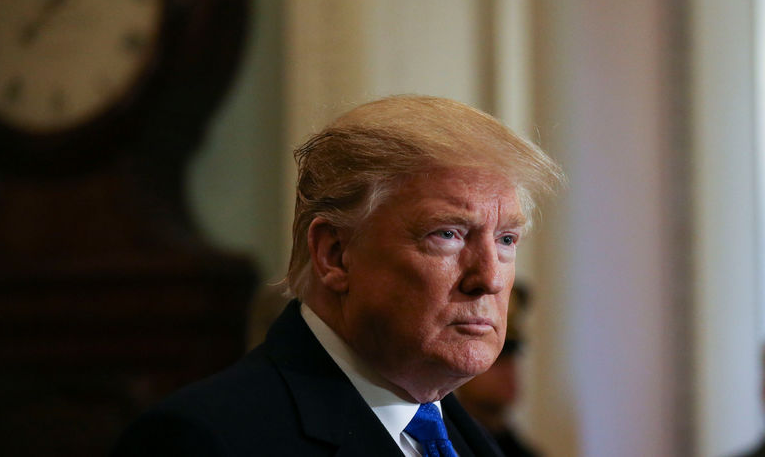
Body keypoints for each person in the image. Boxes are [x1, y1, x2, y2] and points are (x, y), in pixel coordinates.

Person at [112, 95, 563, 456]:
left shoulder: (472, 440)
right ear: (335, 254)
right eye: (447, 234)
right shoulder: (203, 441)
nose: (488, 278)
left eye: (506, 240)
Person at [456, 282, 542, 457]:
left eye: (512, 357)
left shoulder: (521, 451)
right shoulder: (439, 442)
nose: (509, 369)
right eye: (497, 359)